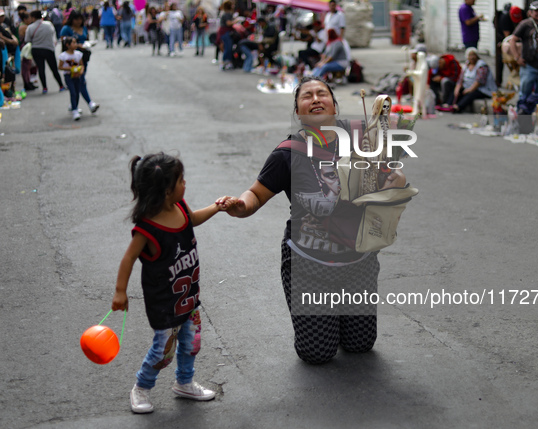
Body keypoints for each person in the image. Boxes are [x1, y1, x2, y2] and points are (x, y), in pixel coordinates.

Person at [216, 77, 406, 364]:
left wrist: (395, 180)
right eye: (307, 96)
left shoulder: (362, 140)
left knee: (360, 345)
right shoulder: (287, 153)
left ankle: (339, 315)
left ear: (334, 104)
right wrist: (241, 205)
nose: (315, 99)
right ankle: (323, 317)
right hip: (309, 266)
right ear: (298, 111)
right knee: (317, 353)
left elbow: (393, 178)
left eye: (322, 93)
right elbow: (255, 194)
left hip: (358, 263)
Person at [111, 153, 233, 413]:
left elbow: (194, 220)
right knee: (162, 353)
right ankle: (141, 388)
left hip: (188, 298)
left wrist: (216, 207)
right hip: (165, 304)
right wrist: (120, 292)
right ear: (167, 191)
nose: (185, 184)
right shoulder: (148, 229)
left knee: (192, 344)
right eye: (181, 180)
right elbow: (129, 258)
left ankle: (185, 383)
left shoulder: (180, 207)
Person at [57, 37, 99, 120]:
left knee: (76, 92)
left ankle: (75, 107)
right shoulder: (63, 56)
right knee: (72, 92)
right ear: (67, 45)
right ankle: (74, 110)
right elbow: (60, 67)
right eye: (73, 43)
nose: (75, 44)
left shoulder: (78, 54)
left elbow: (82, 65)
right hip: (68, 76)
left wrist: (81, 71)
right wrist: (70, 69)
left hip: (77, 76)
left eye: (76, 42)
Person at [24, 10, 65, 94]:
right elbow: (54, 35)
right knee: (54, 68)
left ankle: (45, 88)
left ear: (34, 17)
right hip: (49, 49)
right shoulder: (49, 24)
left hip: (36, 50)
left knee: (41, 69)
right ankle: (61, 85)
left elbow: (27, 40)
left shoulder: (30, 27)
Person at [452, 47, 498, 112]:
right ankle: (449, 104)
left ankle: (459, 107)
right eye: (470, 55)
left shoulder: (482, 66)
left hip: (484, 89)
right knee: (458, 89)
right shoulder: (466, 65)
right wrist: (457, 88)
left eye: (473, 55)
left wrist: (469, 90)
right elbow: (460, 79)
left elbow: (479, 81)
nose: (472, 57)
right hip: (470, 87)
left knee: (471, 94)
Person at [217, 1, 238, 70]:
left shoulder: (225, 13)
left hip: (224, 32)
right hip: (226, 32)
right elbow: (228, 23)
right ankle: (226, 61)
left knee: (227, 47)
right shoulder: (228, 14)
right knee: (228, 47)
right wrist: (236, 20)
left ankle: (226, 61)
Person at [18, 12, 35, 91]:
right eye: (29, 18)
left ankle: (28, 82)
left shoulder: (23, 25)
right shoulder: (24, 27)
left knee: (27, 66)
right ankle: (27, 83)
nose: (30, 20)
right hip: (25, 47)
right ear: (25, 19)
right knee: (26, 66)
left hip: (25, 46)